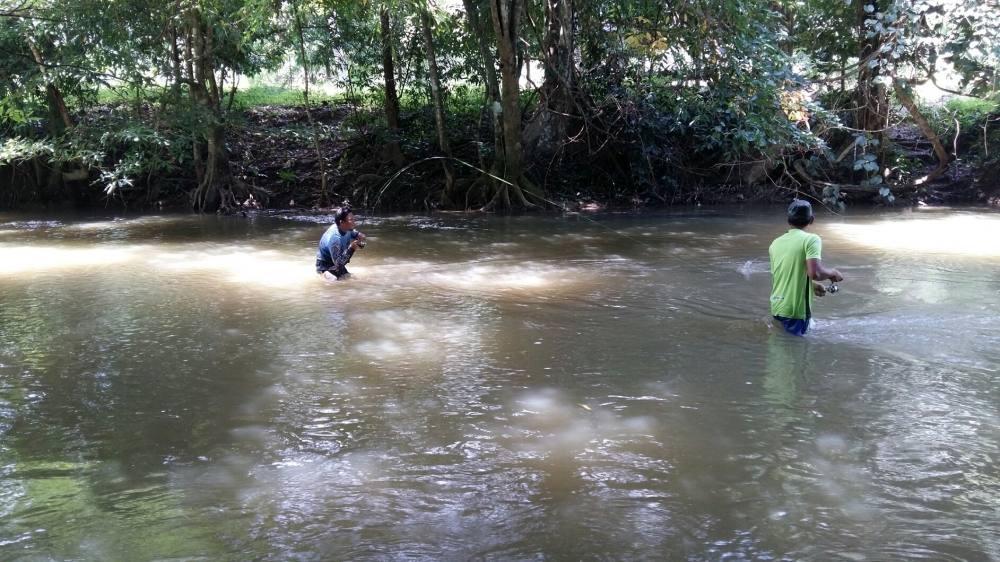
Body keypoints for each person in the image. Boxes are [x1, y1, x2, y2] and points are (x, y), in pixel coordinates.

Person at [768, 199, 843, 336]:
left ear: (788, 220)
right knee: (797, 353)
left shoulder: (775, 243)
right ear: (811, 220)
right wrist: (833, 273)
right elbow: (815, 273)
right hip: (796, 311)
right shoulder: (811, 239)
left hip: (777, 307)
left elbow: (782, 275)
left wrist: (812, 285)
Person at [316, 206, 366, 280]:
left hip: (336, 262)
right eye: (351, 219)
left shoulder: (347, 229)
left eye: (353, 218)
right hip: (325, 265)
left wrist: (359, 235)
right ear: (341, 222)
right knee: (335, 281)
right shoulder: (335, 238)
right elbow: (339, 264)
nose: (354, 221)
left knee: (351, 279)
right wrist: (351, 249)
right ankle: (322, 275)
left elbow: (353, 233)